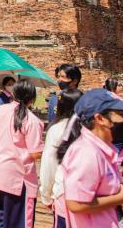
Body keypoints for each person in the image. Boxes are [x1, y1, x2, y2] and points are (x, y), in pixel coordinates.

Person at [56, 89, 123, 228]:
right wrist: (120, 198)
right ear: (100, 119)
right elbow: (76, 204)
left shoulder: (101, 149)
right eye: (120, 114)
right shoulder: (86, 153)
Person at [0, 79, 44, 228]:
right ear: (32, 98)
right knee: (18, 222)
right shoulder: (31, 120)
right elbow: (35, 153)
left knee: (3, 218)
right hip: (15, 178)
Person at [40, 89, 82, 226]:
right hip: (89, 193)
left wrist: (46, 195)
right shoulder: (91, 127)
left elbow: (49, 165)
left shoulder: (57, 129)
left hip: (64, 191)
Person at [103, 78, 123, 168]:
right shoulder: (117, 100)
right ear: (113, 87)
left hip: (106, 133)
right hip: (117, 134)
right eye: (119, 85)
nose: (121, 87)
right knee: (115, 160)